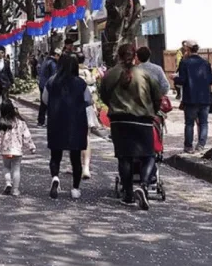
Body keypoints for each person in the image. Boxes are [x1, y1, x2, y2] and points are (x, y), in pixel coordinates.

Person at [100, 43, 163, 210]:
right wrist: (153, 111)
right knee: (149, 155)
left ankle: (128, 195)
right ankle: (143, 185)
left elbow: (104, 95)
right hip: (142, 119)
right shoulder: (145, 74)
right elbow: (157, 97)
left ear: (119, 56)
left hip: (119, 121)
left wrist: (115, 105)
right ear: (135, 56)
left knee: (124, 157)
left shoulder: (110, 75)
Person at [42, 53, 92, 201]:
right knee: (75, 157)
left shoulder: (52, 81)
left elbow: (45, 100)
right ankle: (75, 189)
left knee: (55, 155)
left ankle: (55, 178)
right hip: (76, 123)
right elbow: (88, 100)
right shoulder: (80, 83)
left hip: (56, 122)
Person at [174, 40, 212, 154]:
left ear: (187, 49)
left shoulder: (185, 63)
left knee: (189, 123)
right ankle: (201, 145)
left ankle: (188, 146)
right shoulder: (206, 63)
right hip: (205, 98)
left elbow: (182, 80)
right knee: (203, 123)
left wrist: (174, 78)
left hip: (190, 98)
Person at [0, 99, 36, 196]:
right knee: (16, 169)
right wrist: (31, 147)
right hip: (17, 151)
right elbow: (27, 136)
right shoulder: (21, 123)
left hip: (6, 151)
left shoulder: (2, 123)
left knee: (6, 167)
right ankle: (15, 190)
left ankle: (8, 183)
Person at [76, 53, 98, 180]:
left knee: (73, 136)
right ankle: (86, 167)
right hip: (86, 105)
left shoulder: (71, 74)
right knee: (86, 136)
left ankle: (76, 164)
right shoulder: (87, 72)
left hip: (73, 107)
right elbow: (92, 89)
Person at [37, 49, 59, 126]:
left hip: (42, 84)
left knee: (43, 103)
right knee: (50, 104)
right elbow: (54, 75)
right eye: (58, 56)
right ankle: (50, 121)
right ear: (56, 55)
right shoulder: (52, 63)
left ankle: (41, 120)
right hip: (48, 85)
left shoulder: (45, 61)